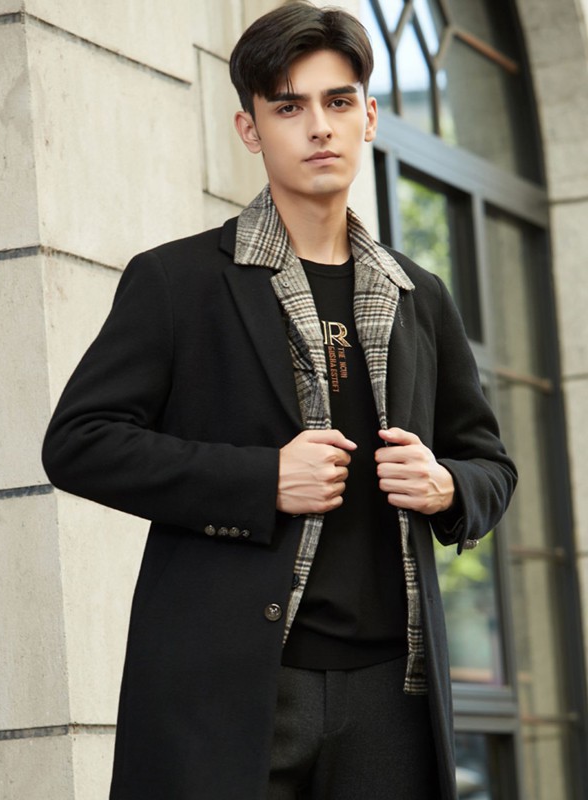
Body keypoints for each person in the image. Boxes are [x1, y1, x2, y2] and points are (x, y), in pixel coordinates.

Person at [42, 2, 517, 798]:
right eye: (289, 107)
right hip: (232, 690)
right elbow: (78, 442)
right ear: (250, 128)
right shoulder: (179, 282)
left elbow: (490, 464)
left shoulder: (419, 295)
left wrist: (446, 487)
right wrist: (262, 480)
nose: (319, 127)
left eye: (338, 102)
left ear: (369, 117)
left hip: (391, 692)